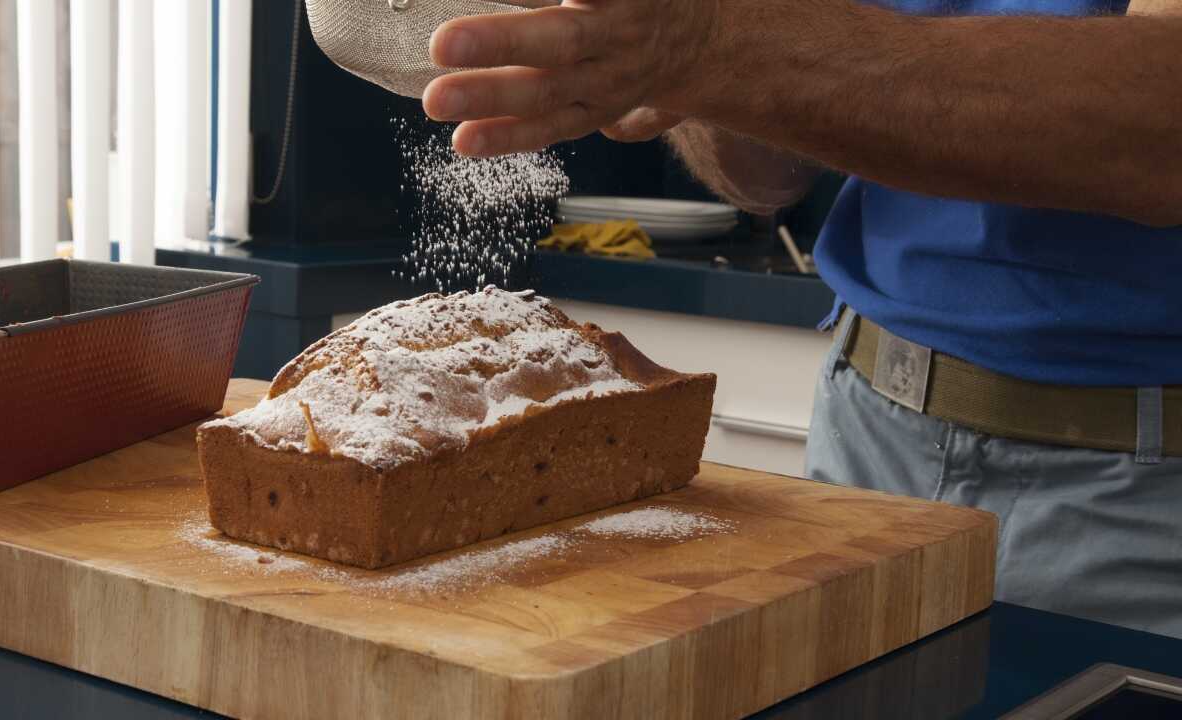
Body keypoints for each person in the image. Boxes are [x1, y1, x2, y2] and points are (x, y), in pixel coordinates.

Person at [420, 0, 1182, 637]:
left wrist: (705, 40)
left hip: (1139, 486)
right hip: (869, 431)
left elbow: (1161, 127)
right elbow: (763, 178)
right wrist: (689, 66)